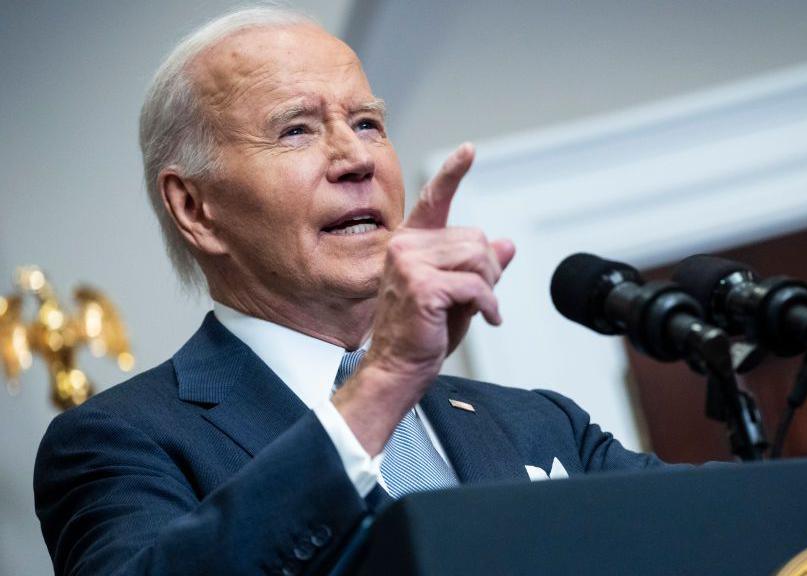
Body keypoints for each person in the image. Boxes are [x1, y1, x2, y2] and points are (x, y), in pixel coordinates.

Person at [34, 7, 661, 575]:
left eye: (367, 123)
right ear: (195, 207)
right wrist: (384, 384)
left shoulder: (539, 424)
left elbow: (730, 527)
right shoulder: (120, 441)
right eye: (296, 131)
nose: (355, 158)